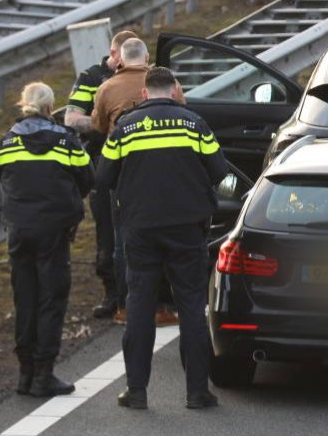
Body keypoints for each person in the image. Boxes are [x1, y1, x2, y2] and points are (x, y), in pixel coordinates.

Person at [97, 66, 232, 411]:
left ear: (144, 93)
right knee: (190, 307)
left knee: (140, 306)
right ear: (174, 91)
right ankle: (197, 392)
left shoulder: (125, 127)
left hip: (141, 229)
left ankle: (137, 391)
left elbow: (104, 175)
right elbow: (220, 172)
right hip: (187, 228)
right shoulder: (193, 124)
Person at [0, 82, 92, 397]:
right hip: (54, 231)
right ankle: (44, 374)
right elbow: (87, 179)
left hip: (19, 230)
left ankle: (25, 374)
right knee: (52, 298)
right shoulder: (67, 142)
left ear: (24, 105)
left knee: (25, 299)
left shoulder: (6, 143)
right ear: (51, 107)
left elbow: (3, 178)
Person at [65, 28, 143, 319]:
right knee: (107, 232)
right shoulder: (91, 78)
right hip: (102, 161)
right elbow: (71, 118)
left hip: (139, 163)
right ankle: (112, 292)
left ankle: (142, 291)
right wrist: (104, 123)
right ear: (113, 54)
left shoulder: (141, 74)